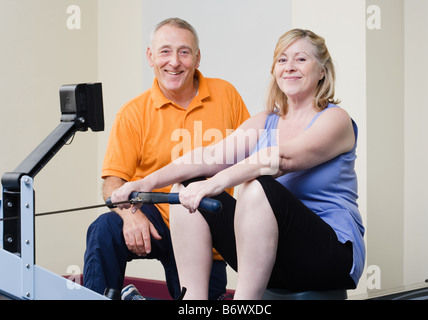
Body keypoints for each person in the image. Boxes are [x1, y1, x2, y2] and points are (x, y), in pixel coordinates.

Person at [111, 29, 365, 300]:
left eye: (301, 59)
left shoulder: (335, 120)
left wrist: (215, 183)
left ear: (322, 71)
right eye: (282, 60)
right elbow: (207, 157)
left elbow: (280, 160)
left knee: (257, 187)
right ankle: (193, 300)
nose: (289, 67)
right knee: (187, 184)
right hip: (273, 254)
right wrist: (143, 183)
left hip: (330, 257)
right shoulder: (265, 120)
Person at [83, 17, 250, 300]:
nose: (174, 61)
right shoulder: (133, 113)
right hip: (155, 219)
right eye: (164, 51)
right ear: (150, 56)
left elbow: (251, 158)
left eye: (184, 52)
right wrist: (128, 216)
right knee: (104, 229)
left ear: (198, 58)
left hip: (206, 222)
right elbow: (113, 184)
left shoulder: (226, 95)